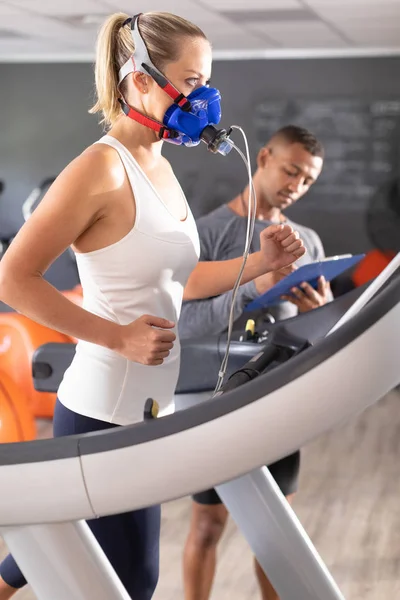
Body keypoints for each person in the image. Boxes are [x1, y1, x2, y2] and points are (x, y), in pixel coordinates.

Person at [0, 12, 305, 600]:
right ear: (138, 78)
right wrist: (116, 338)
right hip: (104, 403)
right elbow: (13, 279)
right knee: (130, 579)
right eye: (190, 83)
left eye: (206, 82)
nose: (206, 98)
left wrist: (259, 263)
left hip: (148, 402)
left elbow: (177, 281)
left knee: (70, 546)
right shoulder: (101, 166)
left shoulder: (159, 165)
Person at [180, 125, 331, 600]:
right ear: (263, 157)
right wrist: (254, 286)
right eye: (291, 171)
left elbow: (318, 339)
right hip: (214, 402)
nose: (296, 186)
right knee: (207, 526)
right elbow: (184, 326)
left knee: (274, 535)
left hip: (277, 402)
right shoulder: (205, 234)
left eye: (307, 180)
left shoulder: (306, 239)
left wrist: (321, 316)